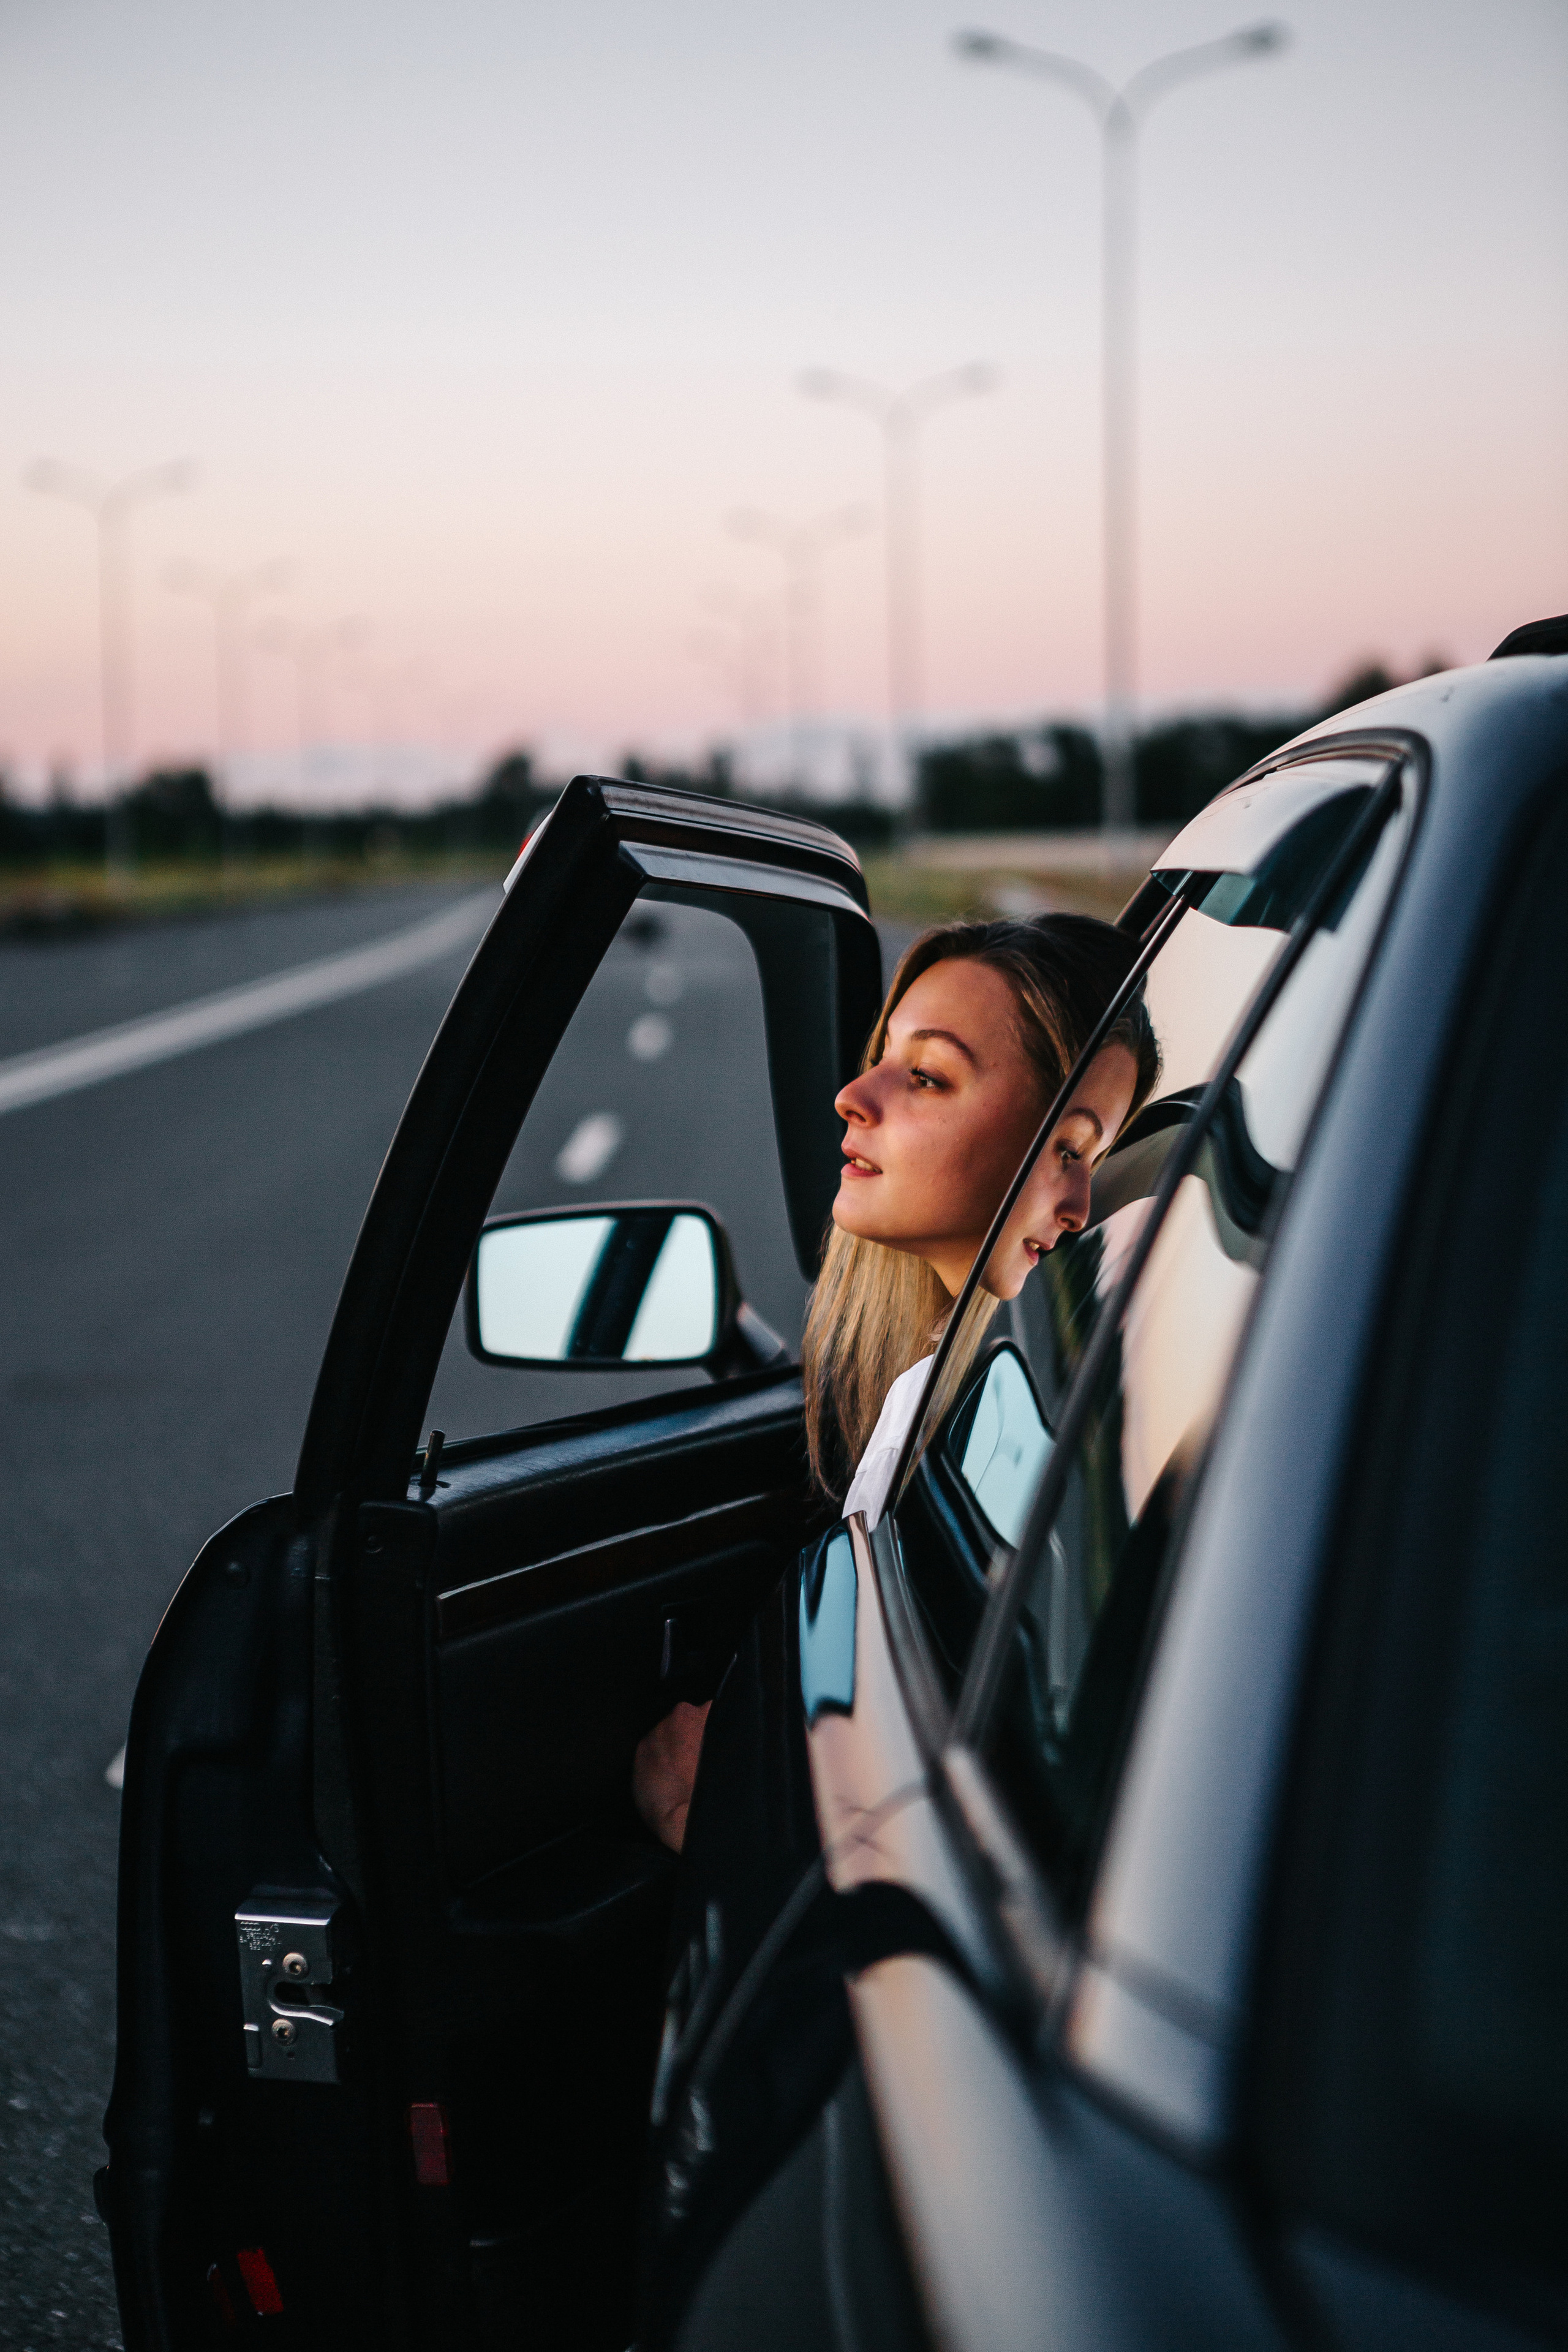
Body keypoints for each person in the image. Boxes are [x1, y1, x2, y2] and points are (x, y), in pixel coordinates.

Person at [631, 913, 1161, 1852]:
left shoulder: (1034, 1430)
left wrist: (717, 1815)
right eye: (886, 1058)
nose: (849, 1095)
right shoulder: (941, 1397)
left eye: (925, 1075)